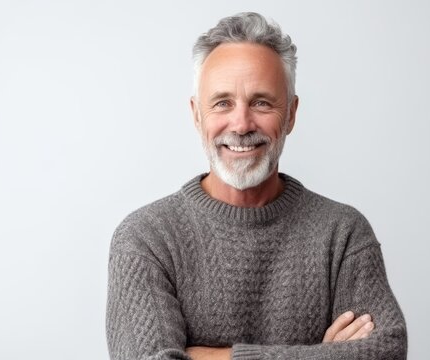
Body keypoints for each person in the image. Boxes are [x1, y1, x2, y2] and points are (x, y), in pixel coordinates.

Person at [106, 12, 407, 360]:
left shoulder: (342, 234)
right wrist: (320, 356)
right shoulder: (146, 238)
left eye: (261, 102)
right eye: (222, 103)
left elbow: (387, 351)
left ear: (291, 114)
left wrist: (211, 356)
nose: (242, 123)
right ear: (196, 115)